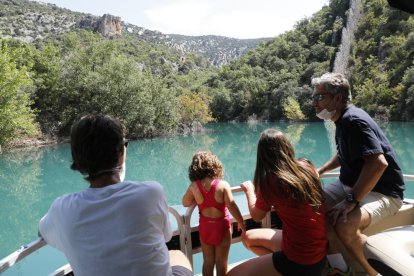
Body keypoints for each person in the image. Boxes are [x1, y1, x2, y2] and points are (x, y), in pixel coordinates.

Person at [38, 114, 193, 276]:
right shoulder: (151, 193)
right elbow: (166, 236)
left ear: (78, 158)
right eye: (125, 144)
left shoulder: (62, 209)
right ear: (120, 152)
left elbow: (43, 230)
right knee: (176, 255)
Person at [311, 72, 405, 276]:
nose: (314, 102)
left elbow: (378, 163)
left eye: (319, 97)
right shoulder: (341, 119)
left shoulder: (354, 120)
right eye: (314, 97)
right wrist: (321, 170)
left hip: (384, 192)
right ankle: (340, 266)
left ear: (337, 98)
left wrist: (352, 199)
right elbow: (345, 153)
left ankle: (371, 272)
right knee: (312, 207)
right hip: (349, 184)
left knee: (345, 224)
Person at [227, 129, 327, 276]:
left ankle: (286, 270)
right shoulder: (307, 166)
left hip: (299, 260)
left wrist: (249, 190)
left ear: (263, 156)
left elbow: (256, 216)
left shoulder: (270, 181)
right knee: (248, 238)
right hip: (319, 252)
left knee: (232, 274)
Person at [182, 151, 246, 276]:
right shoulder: (222, 185)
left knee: (208, 262)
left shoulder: (194, 186)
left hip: (205, 228)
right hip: (222, 226)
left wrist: (196, 195)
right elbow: (232, 205)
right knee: (221, 263)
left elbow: (185, 203)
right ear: (215, 165)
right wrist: (241, 222)